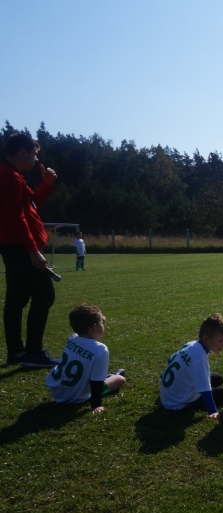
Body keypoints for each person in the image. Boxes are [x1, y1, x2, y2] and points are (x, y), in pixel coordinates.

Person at [0, 132, 59, 367]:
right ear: (23, 152)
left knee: (17, 297)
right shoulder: (9, 176)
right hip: (20, 247)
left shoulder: (14, 175)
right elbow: (17, 217)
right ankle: (33, 353)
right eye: (34, 154)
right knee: (45, 294)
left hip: (15, 246)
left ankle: (16, 352)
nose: (36, 159)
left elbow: (31, 205)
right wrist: (33, 250)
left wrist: (47, 184)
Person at [46, 304, 126, 415]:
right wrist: (96, 405)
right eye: (101, 323)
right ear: (94, 327)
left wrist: (98, 320)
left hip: (57, 388)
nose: (103, 324)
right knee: (120, 379)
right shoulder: (100, 349)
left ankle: (107, 376)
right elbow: (96, 382)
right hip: (75, 396)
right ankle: (110, 377)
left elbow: (88, 326)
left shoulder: (72, 338)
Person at [159, 314, 223, 419]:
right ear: (206, 338)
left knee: (217, 378)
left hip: (168, 394)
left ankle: (178, 390)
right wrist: (213, 411)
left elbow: (170, 360)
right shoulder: (199, 357)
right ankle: (187, 399)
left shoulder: (191, 344)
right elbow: (205, 389)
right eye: (220, 341)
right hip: (177, 402)